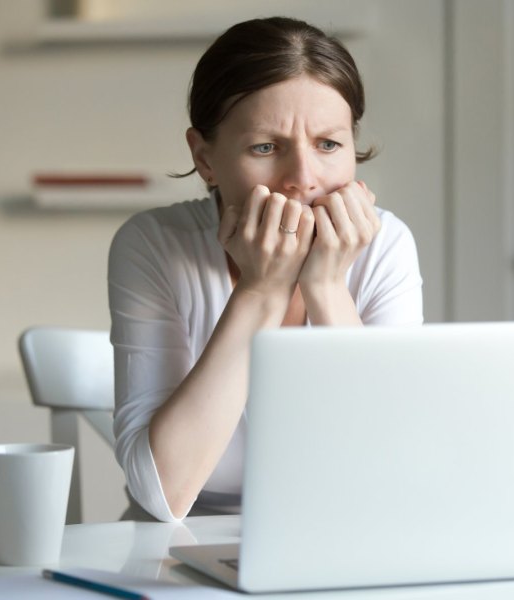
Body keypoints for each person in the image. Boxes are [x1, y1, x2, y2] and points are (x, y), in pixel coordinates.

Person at [108, 16, 423, 523]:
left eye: (328, 144)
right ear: (205, 158)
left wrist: (325, 286)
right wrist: (261, 290)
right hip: (182, 546)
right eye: (265, 147)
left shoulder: (386, 246)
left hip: (338, 533)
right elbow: (161, 494)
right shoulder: (153, 244)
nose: (303, 179)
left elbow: (393, 469)